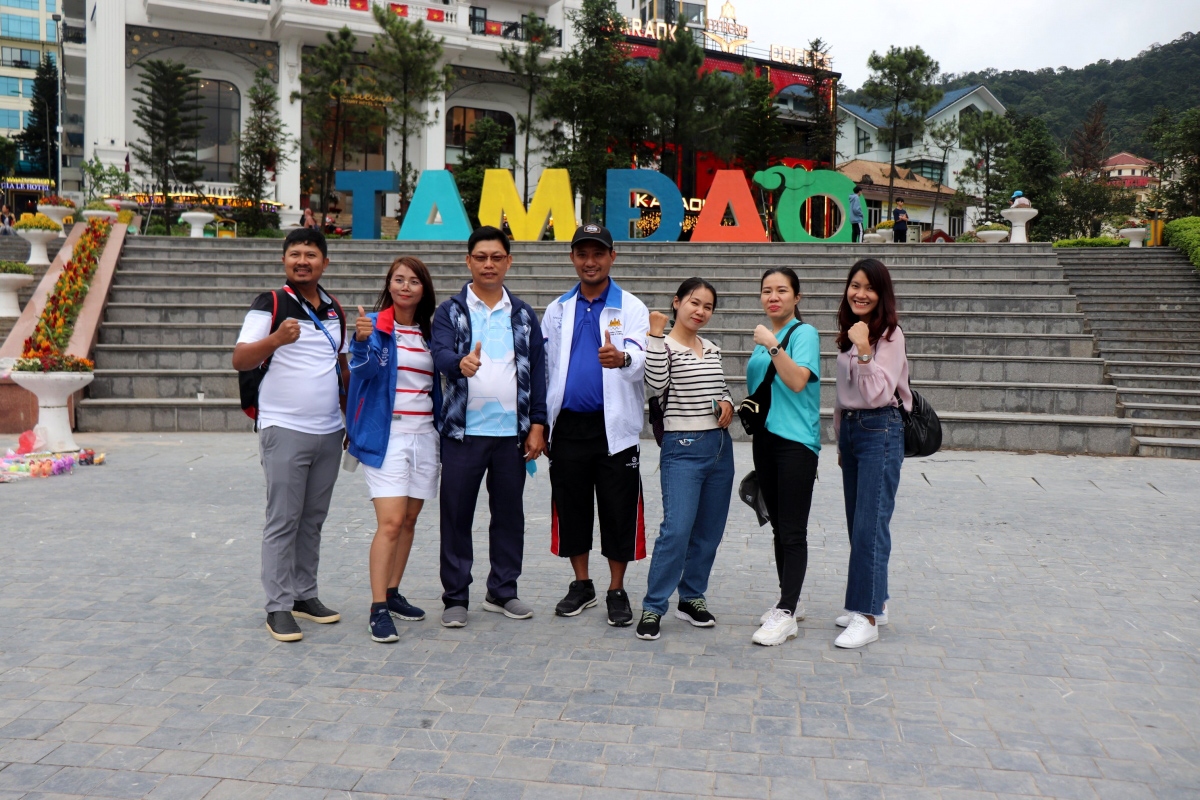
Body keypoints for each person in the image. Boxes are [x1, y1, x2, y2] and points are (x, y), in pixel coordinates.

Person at [232, 227, 348, 643]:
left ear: (325, 262)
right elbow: (240, 358)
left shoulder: (334, 308)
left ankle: (305, 595)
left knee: (312, 520)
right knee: (283, 519)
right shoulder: (271, 303)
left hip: (329, 431)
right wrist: (276, 338)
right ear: (284, 260)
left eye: (311, 254)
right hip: (284, 428)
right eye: (295, 253)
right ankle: (277, 606)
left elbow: (340, 366)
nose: (303, 260)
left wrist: (349, 418)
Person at [430, 225, 547, 628]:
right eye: (481, 257)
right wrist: (458, 363)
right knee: (456, 515)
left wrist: (537, 423)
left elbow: (538, 373)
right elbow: (440, 352)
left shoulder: (524, 314)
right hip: (463, 433)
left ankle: (503, 591)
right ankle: (455, 597)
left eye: (497, 257)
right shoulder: (451, 311)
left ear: (509, 262)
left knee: (509, 516)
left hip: (510, 436)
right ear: (469, 261)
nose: (489, 264)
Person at [543, 223, 649, 627]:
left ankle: (616, 589)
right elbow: (548, 369)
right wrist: (541, 422)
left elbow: (640, 357)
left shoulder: (631, 307)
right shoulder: (557, 309)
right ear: (572, 257)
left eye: (598, 254)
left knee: (618, 508)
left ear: (612, 257)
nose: (591, 262)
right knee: (571, 506)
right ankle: (582, 583)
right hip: (568, 425)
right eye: (583, 254)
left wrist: (622, 359)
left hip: (614, 428)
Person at [346, 256, 441, 643]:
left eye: (413, 281)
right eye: (398, 280)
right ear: (389, 285)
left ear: (423, 290)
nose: (405, 286)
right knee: (389, 522)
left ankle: (393, 590)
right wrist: (362, 340)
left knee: (409, 521)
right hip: (388, 436)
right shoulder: (376, 328)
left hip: (425, 436)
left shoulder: (430, 333)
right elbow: (363, 371)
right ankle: (377, 607)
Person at [636, 278, 735, 641]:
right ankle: (653, 605)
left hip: (720, 449)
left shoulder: (711, 348)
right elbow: (656, 383)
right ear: (677, 303)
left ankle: (691, 596)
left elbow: (721, 388)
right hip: (682, 448)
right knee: (676, 530)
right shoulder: (664, 345)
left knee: (708, 532)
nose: (700, 311)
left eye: (708, 306)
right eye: (695, 303)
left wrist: (728, 404)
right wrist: (655, 335)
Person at [832, 258, 911, 649]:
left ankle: (865, 616)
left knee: (870, 526)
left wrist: (865, 349)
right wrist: (840, 439)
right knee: (856, 523)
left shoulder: (890, 336)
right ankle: (871, 602)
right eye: (855, 285)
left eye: (869, 288)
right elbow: (842, 395)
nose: (860, 293)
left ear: (882, 294)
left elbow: (878, 392)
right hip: (853, 432)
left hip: (881, 428)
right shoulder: (849, 332)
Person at [745, 268, 822, 647]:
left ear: (797, 297)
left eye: (781, 291)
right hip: (766, 442)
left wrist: (774, 345)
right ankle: (788, 600)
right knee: (778, 527)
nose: (773, 297)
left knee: (793, 530)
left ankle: (786, 613)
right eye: (766, 291)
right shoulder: (764, 340)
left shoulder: (803, 334)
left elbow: (796, 381)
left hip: (795, 445)